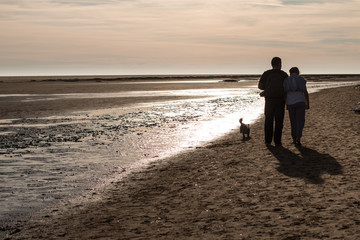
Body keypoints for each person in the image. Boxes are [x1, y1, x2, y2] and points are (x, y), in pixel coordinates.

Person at [258, 57, 288, 146]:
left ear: (272, 64)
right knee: (279, 121)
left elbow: (260, 86)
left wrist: (267, 89)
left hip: (269, 100)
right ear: (279, 64)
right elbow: (287, 87)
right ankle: (277, 141)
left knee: (268, 121)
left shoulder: (266, 73)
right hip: (280, 100)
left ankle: (268, 141)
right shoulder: (283, 74)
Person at [283, 67, 309, 146]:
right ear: (298, 72)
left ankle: (294, 138)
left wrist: (286, 104)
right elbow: (305, 92)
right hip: (300, 101)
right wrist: (308, 103)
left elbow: (285, 93)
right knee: (300, 121)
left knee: (293, 121)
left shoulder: (286, 80)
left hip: (290, 103)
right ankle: (298, 137)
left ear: (290, 72)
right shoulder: (301, 79)